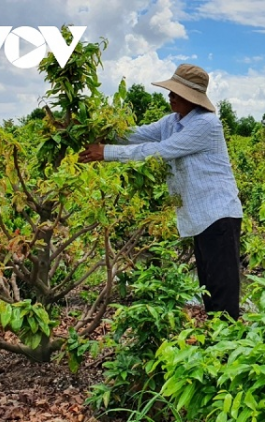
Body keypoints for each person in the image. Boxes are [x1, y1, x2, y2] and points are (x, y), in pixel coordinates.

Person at [79, 64, 243, 320]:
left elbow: (160, 150)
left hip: (219, 215)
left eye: (177, 93)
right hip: (201, 218)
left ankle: (228, 348)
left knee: (223, 291)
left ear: (192, 97)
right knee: (209, 287)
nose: (171, 97)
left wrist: (106, 153)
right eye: (171, 91)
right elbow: (137, 135)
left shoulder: (206, 125)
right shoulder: (172, 122)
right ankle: (216, 347)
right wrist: (94, 131)